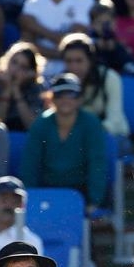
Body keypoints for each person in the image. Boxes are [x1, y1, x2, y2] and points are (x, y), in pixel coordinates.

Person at [20, 72, 109, 217]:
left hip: (81, 193)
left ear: (80, 99)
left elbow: (97, 163)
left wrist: (94, 201)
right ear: (52, 98)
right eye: (60, 95)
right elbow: (30, 164)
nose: (65, 100)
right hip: (46, 191)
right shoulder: (40, 124)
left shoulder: (91, 123)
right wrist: (30, 199)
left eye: (71, 95)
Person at [19, 0, 95, 78]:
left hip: (74, 73)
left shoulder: (84, 1)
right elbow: (27, 43)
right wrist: (64, 49)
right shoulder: (32, 3)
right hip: (39, 74)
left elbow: (77, 40)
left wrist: (37, 28)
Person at [60, 33, 130, 139]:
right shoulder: (61, 83)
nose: (74, 66)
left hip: (111, 136)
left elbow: (114, 119)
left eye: (79, 61)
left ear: (90, 60)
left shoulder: (109, 78)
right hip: (75, 140)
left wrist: (90, 135)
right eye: (69, 61)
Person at [0, 177, 46, 267]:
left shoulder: (32, 242)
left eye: (15, 201)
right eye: (4, 200)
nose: (9, 205)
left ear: (23, 206)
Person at [0, 42, 47, 133]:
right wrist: (7, 90)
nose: (15, 69)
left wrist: (16, 91)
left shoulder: (36, 89)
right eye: (14, 62)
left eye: (23, 67)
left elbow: (31, 126)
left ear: (31, 71)